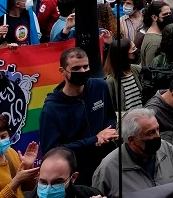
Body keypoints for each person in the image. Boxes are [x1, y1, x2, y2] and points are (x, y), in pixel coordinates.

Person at [39, 47, 117, 186]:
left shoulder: (100, 86)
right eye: (76, 68)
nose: (82, 71)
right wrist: (94, 140)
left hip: (107, 163)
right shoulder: (51, 109)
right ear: (62, 71)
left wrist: (107, 134)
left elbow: (111, 117)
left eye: (86, 66)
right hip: (77, 174)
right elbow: (52, 150)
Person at [92, 108, 173, 197]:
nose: (157, 136)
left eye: (157, 129)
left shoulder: (165, 147)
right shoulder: (108, 169)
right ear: (131, 140)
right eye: (150, 133)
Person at [35, 147, 100, 198]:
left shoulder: (89, 194)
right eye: (43, 182)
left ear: (73, 177)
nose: (48, 190)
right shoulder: (28, 195)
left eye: (57, 182)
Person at [104, 38, 145, 116]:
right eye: (133, 49)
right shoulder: (111, 82)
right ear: (124, 55)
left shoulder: (136, 70)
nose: (136, 51)